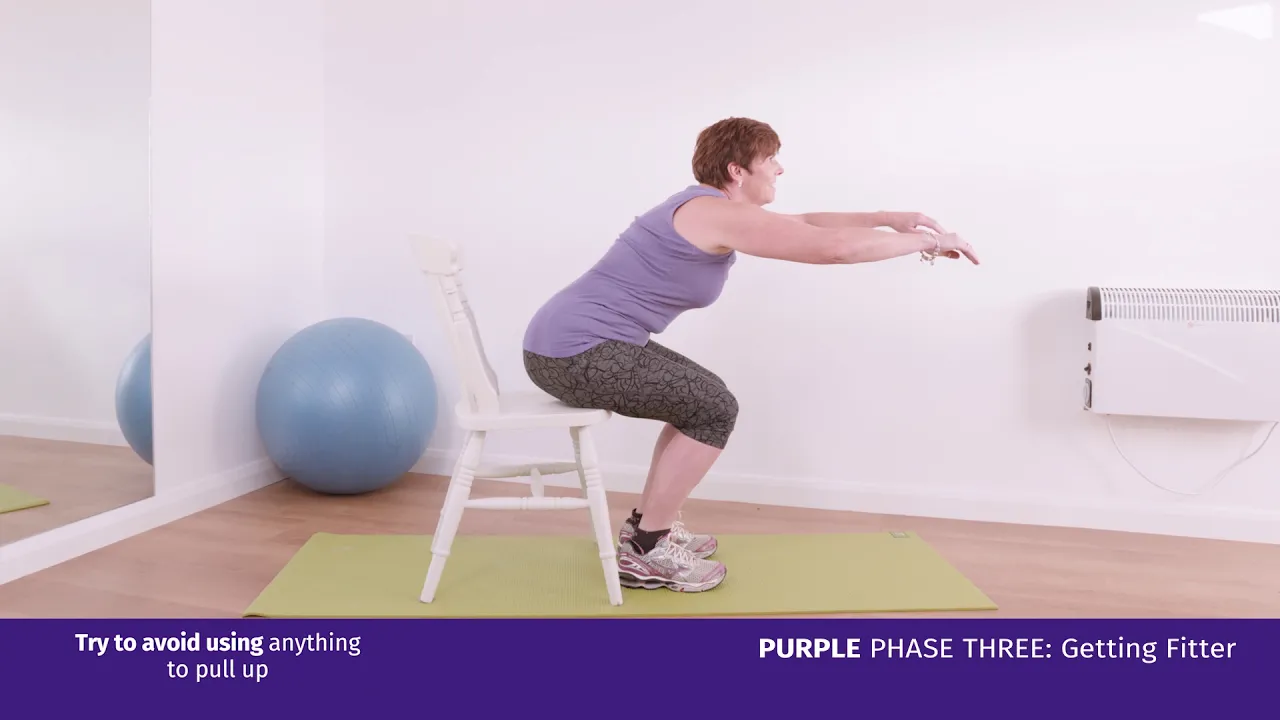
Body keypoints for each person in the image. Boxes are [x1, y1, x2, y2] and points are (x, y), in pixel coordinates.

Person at [521, 117, 979, 593]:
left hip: (572, 343)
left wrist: (887, 218)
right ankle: (647, 549)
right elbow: (835, 249)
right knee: (713, 408)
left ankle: (647, 527)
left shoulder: (710, 208)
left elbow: (807, 223)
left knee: (703, 398)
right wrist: (930, 241)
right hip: (575, 350)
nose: (779, 169)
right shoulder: (713, 213)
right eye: (771, 159)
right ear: (737, 171)